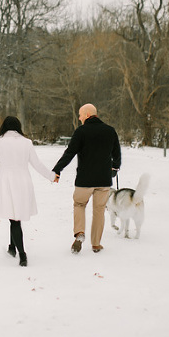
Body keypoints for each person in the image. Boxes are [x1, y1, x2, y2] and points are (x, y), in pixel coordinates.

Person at [0, 116, 57, 267]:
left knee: (14, 218)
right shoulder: (27, 142)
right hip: (24, 181)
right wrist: (51, 176)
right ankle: (12, 248)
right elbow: (37, 164)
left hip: (7, 182)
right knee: (15, 216)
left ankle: (22, 254)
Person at [52, 103, 121, 254]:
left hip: (84, 180)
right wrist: (115, 168)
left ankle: (80, 233)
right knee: (99, 211)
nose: (79, 117)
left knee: (79, 205)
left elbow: (69, 153)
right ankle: (96, 244)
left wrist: (57, 169)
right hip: (103, 180)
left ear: (88, 114)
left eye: (80, 115)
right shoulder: (110, 131)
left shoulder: (81, 131)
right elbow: (117, 154)